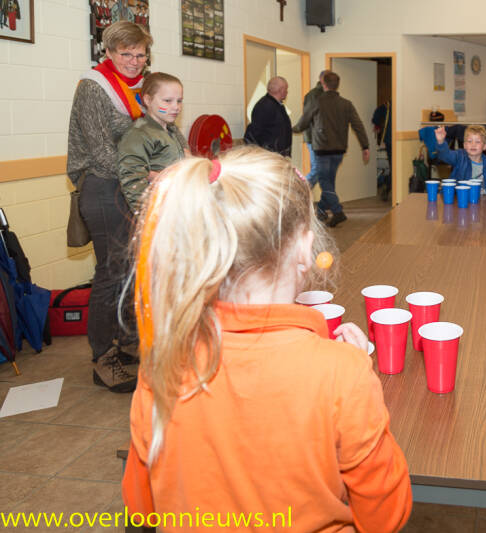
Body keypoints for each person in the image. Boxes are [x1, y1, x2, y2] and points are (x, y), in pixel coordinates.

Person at [121, 147, 413, 533]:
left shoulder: (162, 365)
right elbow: (384, 516)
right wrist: (360, 375)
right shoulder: (342, 372)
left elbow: (141, 507)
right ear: (306, 251)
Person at [67, 20, 152, 393]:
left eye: (140, 54)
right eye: (126, 54)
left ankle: (128, 342)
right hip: (102, 186)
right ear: (109, 52)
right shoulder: (94, 88)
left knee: (133, 269)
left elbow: (161, 130)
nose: (134, 61)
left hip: (131, 186)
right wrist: (147, 174)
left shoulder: (142, 88)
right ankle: (103, 356)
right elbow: (101, 153)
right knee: (111, 273)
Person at [293, 71, 370, 228]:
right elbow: (358, 125)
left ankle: (337, 211)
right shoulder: (346, 104)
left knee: (325, 182)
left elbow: (303, 123)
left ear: (323, 83)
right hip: (339, 150)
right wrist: (365, 146)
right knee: (329, 182)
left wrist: (290, 128)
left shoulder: (317, 101)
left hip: (322, 149)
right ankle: (321, 209)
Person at [117, 72, 189, 213]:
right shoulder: (140, 133)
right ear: (148, 100)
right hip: (158, 211)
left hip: (176, 207)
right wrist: (148, 215)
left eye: (179, 101)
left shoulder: (169, 131)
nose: (176, 107)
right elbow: (132, 179)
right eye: (167, 101)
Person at [433, 124, 486, 195]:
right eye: (469, 141)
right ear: (464, 145)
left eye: (477, 142)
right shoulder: (459, 156)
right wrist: (441, 142)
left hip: (484, 201)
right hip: (462, 200)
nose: (473, 144)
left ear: (484, 146)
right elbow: (445, 155)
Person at [243, 76, 292, 157]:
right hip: (270, 156)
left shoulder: (277, 105)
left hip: (279, 155)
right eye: (286, 89)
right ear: (280, 90)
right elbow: (255, 133)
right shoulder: (264, 106)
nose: (287, 92)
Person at [300, 70, 329, 190]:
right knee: (318, 169)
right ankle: (299, 191)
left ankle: (325, 203)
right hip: (315, 139)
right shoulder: (314, 95)